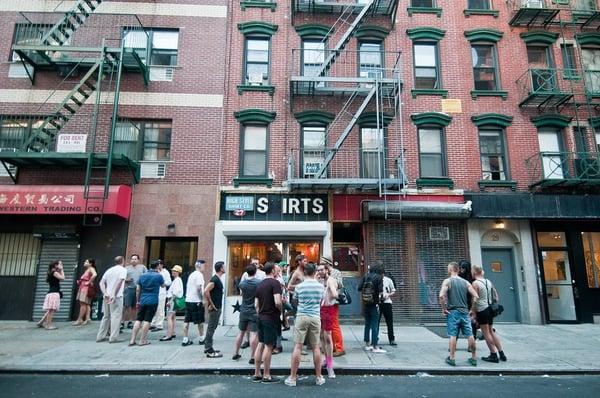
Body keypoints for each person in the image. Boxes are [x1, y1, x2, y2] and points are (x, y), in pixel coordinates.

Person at [285, 262, 326, 387]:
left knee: (298, 347)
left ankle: (292, 378)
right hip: (315, 316)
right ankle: (319, 377)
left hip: (302, 316)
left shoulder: (299, 286)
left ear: (305, 272)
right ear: (315, 273)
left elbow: (295, 300)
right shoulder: (320, 287)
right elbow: (322, 302)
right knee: (315, 347)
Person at [439, 261, 479, 367]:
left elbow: (441, 295)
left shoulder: (447, 281)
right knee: (470, 335)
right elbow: (475, 296)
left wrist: (444, 308)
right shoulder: (465, 282)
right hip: (465, 311)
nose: (447, 270)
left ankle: (452, 358)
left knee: (453, 335)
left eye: (448, 268)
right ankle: (474, 358)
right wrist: (472, 309)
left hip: (453, 312)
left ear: (452, 269)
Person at [471, 264, 507, 363]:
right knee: (491, 331)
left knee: (486, 333)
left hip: (482, 310)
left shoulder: (475, 283)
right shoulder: (488, 281)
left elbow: (475, 299)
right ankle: (501, 353)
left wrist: (473, 311)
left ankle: (493, 355)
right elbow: (496, 295)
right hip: (490, 309)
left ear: (474, 273)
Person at [253, 262, 282, 383]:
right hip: (270, 317)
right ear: (272, 271)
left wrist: (261, 312)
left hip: (261, 317)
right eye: (276, 269)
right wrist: (280, 312)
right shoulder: (275, 283)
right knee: (269, 346)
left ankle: (257, 373)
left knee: (260, 344)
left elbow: (256, 305)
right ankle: (266, 375)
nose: (278, 271)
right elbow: (277, 301)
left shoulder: (260, 284)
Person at [128, 260, 165, 346]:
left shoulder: (143, 276)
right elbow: (163, 285)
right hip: (153, 300)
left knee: (138, 320)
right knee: (147, 320)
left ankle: (132, 340)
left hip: (143, 299)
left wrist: (138, 300)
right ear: (157, 267)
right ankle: (142, 340)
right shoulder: (158, 276)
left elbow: (138, 289)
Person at [232, 263, 260, 363]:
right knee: (253, 334)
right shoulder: (259, 283)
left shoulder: (242, 284)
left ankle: (235, 353)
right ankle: (252, 357)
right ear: (255, 271)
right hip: (253, 310)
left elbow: (240, 291)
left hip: (243, 310)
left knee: (241, 332)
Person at [97, 256, 127, 343]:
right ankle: (113, 337)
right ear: (123, 261)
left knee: (106, 316)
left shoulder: (109, 270)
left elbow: (101, 283)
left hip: (106, 296)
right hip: (117, 297)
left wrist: (105, 293)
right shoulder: (123, 270)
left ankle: (100, 336)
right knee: (116, 317)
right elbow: (120, 282)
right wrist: (114, 294)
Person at [358, 264, 386, 353]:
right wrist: (382, 298)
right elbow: (381, 292)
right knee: (375, 324)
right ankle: (375, 346)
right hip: (374, 304)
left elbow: (359, 288)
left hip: (366, 303)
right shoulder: (379, 278)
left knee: (367, 324)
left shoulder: (365, 276)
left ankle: (367, 344)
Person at [317, 262, 338, 379]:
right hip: (319, 310)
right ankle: (326, 359)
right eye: (318, 270)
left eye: (322, 270)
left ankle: (330, 366)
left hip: (328, 309)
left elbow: (335, 294)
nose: (320, 272)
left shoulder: (330, 280)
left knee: (327, 337)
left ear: (327, 270)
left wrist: (332, 293)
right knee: (320, 336)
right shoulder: (318, 280)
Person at [321, 256, 345, 356]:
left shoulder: (335, 272)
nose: (321, 264)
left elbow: (340, 285)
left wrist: (330, 280)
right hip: (326, 302)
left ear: (328, 263)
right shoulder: (322, 273)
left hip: (333, 302)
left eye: (323, 263)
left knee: (334, 325)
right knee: (327, 326)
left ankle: (339, 348)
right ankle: (332, 346)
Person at [203, 261, 225, 358]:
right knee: (211, 328)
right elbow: (206, 290)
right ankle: (209, 349)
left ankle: (208, 347)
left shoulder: (217, 279)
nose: (225, 268)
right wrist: (211, 304)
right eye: (223, 267)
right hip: (215, 308)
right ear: (220, 268)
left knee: (212, 327)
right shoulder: (215, 279)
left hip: (217, 307)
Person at [182, 260, 206, 346]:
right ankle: (202, 338)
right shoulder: (199, 275)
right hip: (196, 301)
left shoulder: (191, 275)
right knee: (200, 321)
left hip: (188, 300)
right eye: (204, 266)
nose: (205, 268)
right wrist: (202, 299)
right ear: (199, 266)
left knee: (186, 320)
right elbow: (199, 288)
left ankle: (185, 339)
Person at [37, 260, 65, 330]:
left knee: (50, 310)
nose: (61, 265)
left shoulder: (52, 272)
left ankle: (42, 322)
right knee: (51, 310)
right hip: (54, 293)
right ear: (56, 265)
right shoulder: (54, 272)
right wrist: (62, 270)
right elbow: (63, 278)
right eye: (59, 264)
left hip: (52, 293)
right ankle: (48, 325)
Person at [123, 254, 146, 329]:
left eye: (135, 259)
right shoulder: (126, 268)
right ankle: (123, 321)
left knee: (135, 306)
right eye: (132, 259)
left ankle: (131, 321)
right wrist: (127, 280)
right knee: (126, 306)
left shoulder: (142, 267)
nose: (134, 260)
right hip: (128, 288)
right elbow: (121, 278)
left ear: (138, 260)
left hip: (139, 289)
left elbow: (146, 276)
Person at [160, 265, 184, 341]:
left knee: (169, 317)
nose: (172, 272)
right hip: (175, 300)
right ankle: (172, 333)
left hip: (173, 300)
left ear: (178, 272)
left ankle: (169, 335)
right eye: (173, 270)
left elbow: (175, 293)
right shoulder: (177, 280)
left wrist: (170, 301)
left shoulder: (177, 280)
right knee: (173, 317)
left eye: (174, 271)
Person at [73, 259, 97, 326]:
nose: (84, 262)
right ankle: (87, 318)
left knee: (83, 303)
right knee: (87, 304)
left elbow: (95, 274)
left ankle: (79, 319)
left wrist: (88, 282)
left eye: (86, 262)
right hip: (83, 287)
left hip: (85, 289)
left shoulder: (91, 269)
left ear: (90, 263)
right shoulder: (87, 269)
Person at [150, 259, 172, 332]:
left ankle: (159, 325)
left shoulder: (165, 272)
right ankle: (153, 323)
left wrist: (163, 284)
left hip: (162, 292)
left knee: (160, 308)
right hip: (154, 292)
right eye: (157, 264)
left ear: (162, 265)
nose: (158, 265)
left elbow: (169, 282)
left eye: (159, 264)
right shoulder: (154, 272)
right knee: (154, 308)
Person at [379, 268, 397, 346]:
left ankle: (391, 339)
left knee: (389, 322)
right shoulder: (376, 280)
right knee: (376, 322)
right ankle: (375, 338)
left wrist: (388, 295)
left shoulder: (388, 280)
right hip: (378, 302)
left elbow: (393, 290)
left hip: (387, 302)